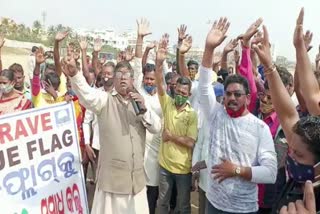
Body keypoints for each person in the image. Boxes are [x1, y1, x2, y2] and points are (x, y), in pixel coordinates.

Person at [199, 17, 277, 213]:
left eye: (237, 94)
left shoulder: (260, 128)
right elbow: (203, 86)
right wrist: (209, 49)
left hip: (244, 208)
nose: (232, 98)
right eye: (228, 94)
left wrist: (236, 170)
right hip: (214, 204)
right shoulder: (216, 114)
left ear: (248, 97)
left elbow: (270, 173)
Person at [66, 54, 161, 213]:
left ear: (132, 80)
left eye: (127, 76)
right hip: (112, 183)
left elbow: (156, 128)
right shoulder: (104, 100)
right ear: (114, 81)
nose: (123, 79)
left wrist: (143, 110)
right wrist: (75, 74)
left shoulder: (140, 102)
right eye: (119, 76)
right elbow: (86, 95)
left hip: (135, 182)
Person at [251, 9, 320, 212]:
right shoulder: (305, 139)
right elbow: (289, 114)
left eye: (298, 155)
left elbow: (313, 99)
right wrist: (270, 66)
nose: (290, 158)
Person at [155, 37, 198, 214]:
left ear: (188, 95)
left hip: (183, 170)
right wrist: (159, 62)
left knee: (183, 205)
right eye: (178, 91)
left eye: (184, 93)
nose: (180, 94)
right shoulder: (167, 103)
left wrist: (171, 137)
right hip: (165, 166)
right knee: (162, 202)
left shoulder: (192, 114)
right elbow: (159, 82)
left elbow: (190, 142)